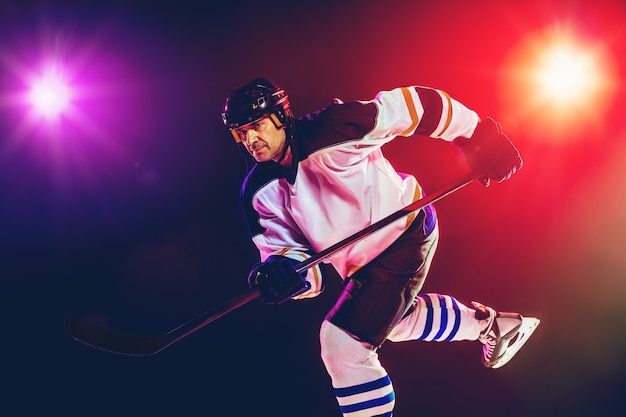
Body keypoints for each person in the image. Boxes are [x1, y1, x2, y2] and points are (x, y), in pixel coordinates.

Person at [221, 77, 539, 417]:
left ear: (280, 116)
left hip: (404, 235)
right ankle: (496, 327)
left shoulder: (334, 128)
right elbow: (305, 273)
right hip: (362, 268)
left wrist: (478, 134)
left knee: (342, 344)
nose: (250, 139)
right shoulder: (257, 192)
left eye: (256, 126)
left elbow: (415, 106)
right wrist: (279, 274)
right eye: (241, 133)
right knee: (395, 321)